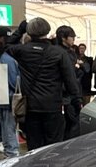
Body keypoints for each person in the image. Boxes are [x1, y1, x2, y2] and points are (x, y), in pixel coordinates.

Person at [7, 17, 80, 151]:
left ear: (29, 32)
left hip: (31, 107)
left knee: (34, 148)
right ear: (47, 30)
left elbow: (5, 46)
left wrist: (20, 30)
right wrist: (76, 101)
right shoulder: (58, 53)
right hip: (53, 106)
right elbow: (70, 81)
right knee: (54, 148)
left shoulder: (22, 51)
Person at [55, 25, 82, 140]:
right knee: (69, 124)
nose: (73, 39)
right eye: (71, 36)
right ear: (63, 38)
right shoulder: (59, 53)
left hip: (71, 93)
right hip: (64, 95)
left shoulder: (71, 52)